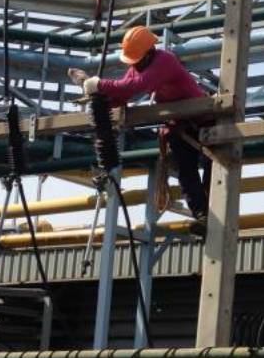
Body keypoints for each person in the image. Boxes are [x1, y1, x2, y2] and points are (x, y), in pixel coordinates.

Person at [69, 26, 212, 233]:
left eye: (136, 60)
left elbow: (136, 86)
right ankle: (203, 216)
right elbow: (124, 93)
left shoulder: (165, 60)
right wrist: (101, 98)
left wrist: (99, 84)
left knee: (214, 169)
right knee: (186, 172)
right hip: (179, 125)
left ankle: (214, 209)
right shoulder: (138, 67)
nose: (134, 64)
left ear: (149, 52)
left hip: (204, 121)